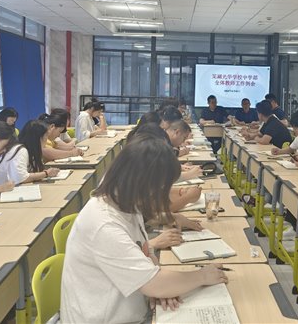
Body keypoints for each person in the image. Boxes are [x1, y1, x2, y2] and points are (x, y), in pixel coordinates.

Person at [60, 134, 228, 323]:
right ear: (142, 183)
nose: (162, 194)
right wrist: (202, 275)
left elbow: (146, 255)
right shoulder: (103, 224)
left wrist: (163, 288)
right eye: (161, 187)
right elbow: (152, 282)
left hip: (132, 308)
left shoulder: (127, 204)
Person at [0, 120, 60, 188]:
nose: (46, 140)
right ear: (38, 138)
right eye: (46, 136)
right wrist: (46, 173)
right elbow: (20, 178)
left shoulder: (27, 149)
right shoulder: (20, 150)